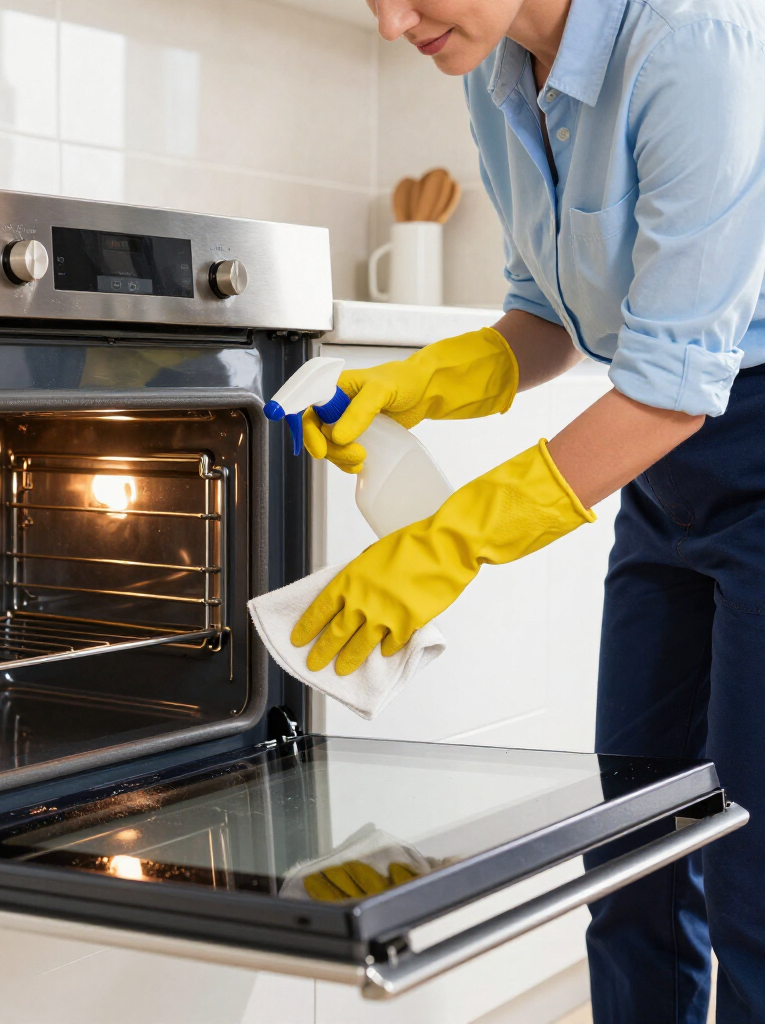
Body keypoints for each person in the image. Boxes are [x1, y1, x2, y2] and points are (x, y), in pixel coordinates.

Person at [292, 0, 765, 1020]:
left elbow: (674, 383)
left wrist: (453, 542)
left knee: (753, 882)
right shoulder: (493, 69)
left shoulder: (692, 39)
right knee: (631, 852)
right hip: (665, 475)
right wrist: (417, 383)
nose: (390, 23)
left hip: (733, 433)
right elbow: (548, 316)